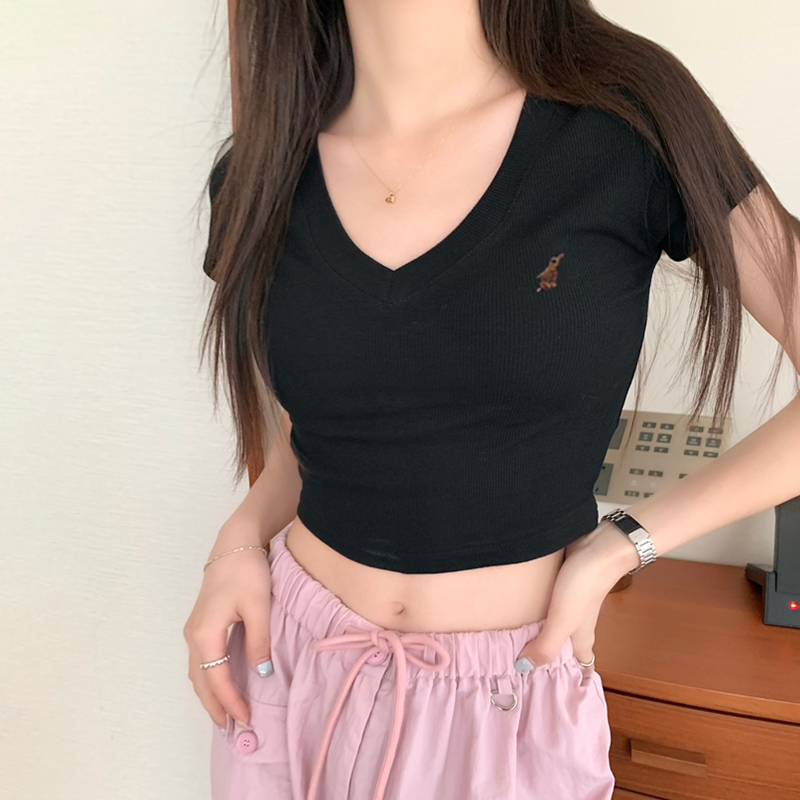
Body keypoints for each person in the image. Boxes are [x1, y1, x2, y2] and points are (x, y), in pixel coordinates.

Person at [185, 1, 800, 799]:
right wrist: (238, 540)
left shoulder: (627, 123)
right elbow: (315, 432)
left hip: (505, 696)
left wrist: (625, 545)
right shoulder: (261, 169)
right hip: (292, 672)